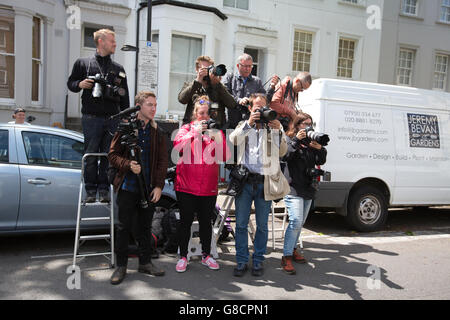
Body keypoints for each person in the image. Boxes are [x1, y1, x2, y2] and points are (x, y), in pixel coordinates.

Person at [108, 91, 168, 285]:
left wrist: (159, 186)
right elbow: (112, 155)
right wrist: (128, 165)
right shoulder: (126, 127)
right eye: (150, 104)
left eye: (155, 105)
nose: (153, 108)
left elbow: (162, 161)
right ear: (139, 106)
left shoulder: (157, 131)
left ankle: (145, 263)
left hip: (148, 188)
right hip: (127, 187)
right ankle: (121, 266)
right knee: (123, 228)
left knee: (144, 228)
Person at [67, 28, 130, 203]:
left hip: (113, 118)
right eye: (112, 41)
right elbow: (70, 83)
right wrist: (80, 84)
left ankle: (104, 190)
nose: (115, 44)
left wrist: (126, 116)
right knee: (91, 154)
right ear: (101, 41)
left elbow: (125, 96)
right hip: (91, 117)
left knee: (108, 156)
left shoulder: (118, 68)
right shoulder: (83, 63)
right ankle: (90, 191)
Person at [229, 93, 287, 277]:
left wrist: (278, 131)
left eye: (264, 108)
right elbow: (234, 140)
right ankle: (241, 260)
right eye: (257, 109)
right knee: (240, 224)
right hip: (245, 182)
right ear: (250, 109)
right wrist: (249, 123)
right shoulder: (244, 125)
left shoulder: (274, 126)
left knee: (262, 226)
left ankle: (258, 260)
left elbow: (284, 152)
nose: (261, 112)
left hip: (265, 183)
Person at [173, 95, 230, 273]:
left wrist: (217, 137)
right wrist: (195, 133)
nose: (205, 117)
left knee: (206, 222)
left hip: (208, 188)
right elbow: (177, 148)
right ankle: (183, 256)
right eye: (201, 113)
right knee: (186, 222)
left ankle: (207, 255)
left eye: (208, 114)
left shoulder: (215, 132)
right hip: (187, 186)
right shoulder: (185, 129)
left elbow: (225, 157)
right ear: (195, 114)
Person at [280, 113, 327, 275]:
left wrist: (320, 149)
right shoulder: (289, 139)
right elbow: (286, 156)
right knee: (295, 220)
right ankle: (286, 256)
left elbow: (321, 161)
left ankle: (293, 250)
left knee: (301, 223)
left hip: (309, 187)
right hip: (293, 187)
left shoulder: (312, 141)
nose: (308, 126)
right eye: (304, 123)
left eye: (310, 123)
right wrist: (296, 141)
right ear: (297, 124)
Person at [178, 55, 236, 129]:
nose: (207, 71)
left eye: (209, 69)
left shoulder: (218, 87)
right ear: (197, 69)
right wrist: (197, 81)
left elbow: (232, 104)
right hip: (193, 129)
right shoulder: (190, 85)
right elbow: (182, 99)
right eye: (204, 69)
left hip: (214, 131)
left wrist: (218, 84)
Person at [223, 53, 279, 129]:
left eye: (250, 66)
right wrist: (239, 100)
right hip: (231, 121)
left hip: (250, 123)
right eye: (245, 66)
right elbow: (224, 96)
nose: (248, 69)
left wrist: (272, 86)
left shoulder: (257, 81)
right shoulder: (230, 78)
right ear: (238, 66)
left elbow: (265, 100)